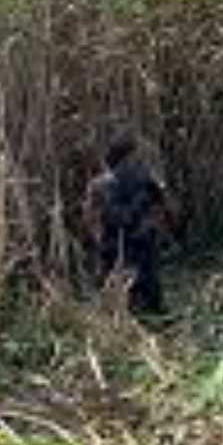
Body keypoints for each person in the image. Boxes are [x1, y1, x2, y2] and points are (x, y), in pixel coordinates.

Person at [83, 136, 168, 317]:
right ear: (122, 161)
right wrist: (140, 200)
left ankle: (153, 309)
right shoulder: (101, 186)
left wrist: (158, 194)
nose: (138, 163)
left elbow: (162, 211)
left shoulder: (143, 182)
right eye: (133, 159)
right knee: (116, 287)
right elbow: (118, 217)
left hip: (142, 245)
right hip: (113, 245)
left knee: (150, 283)